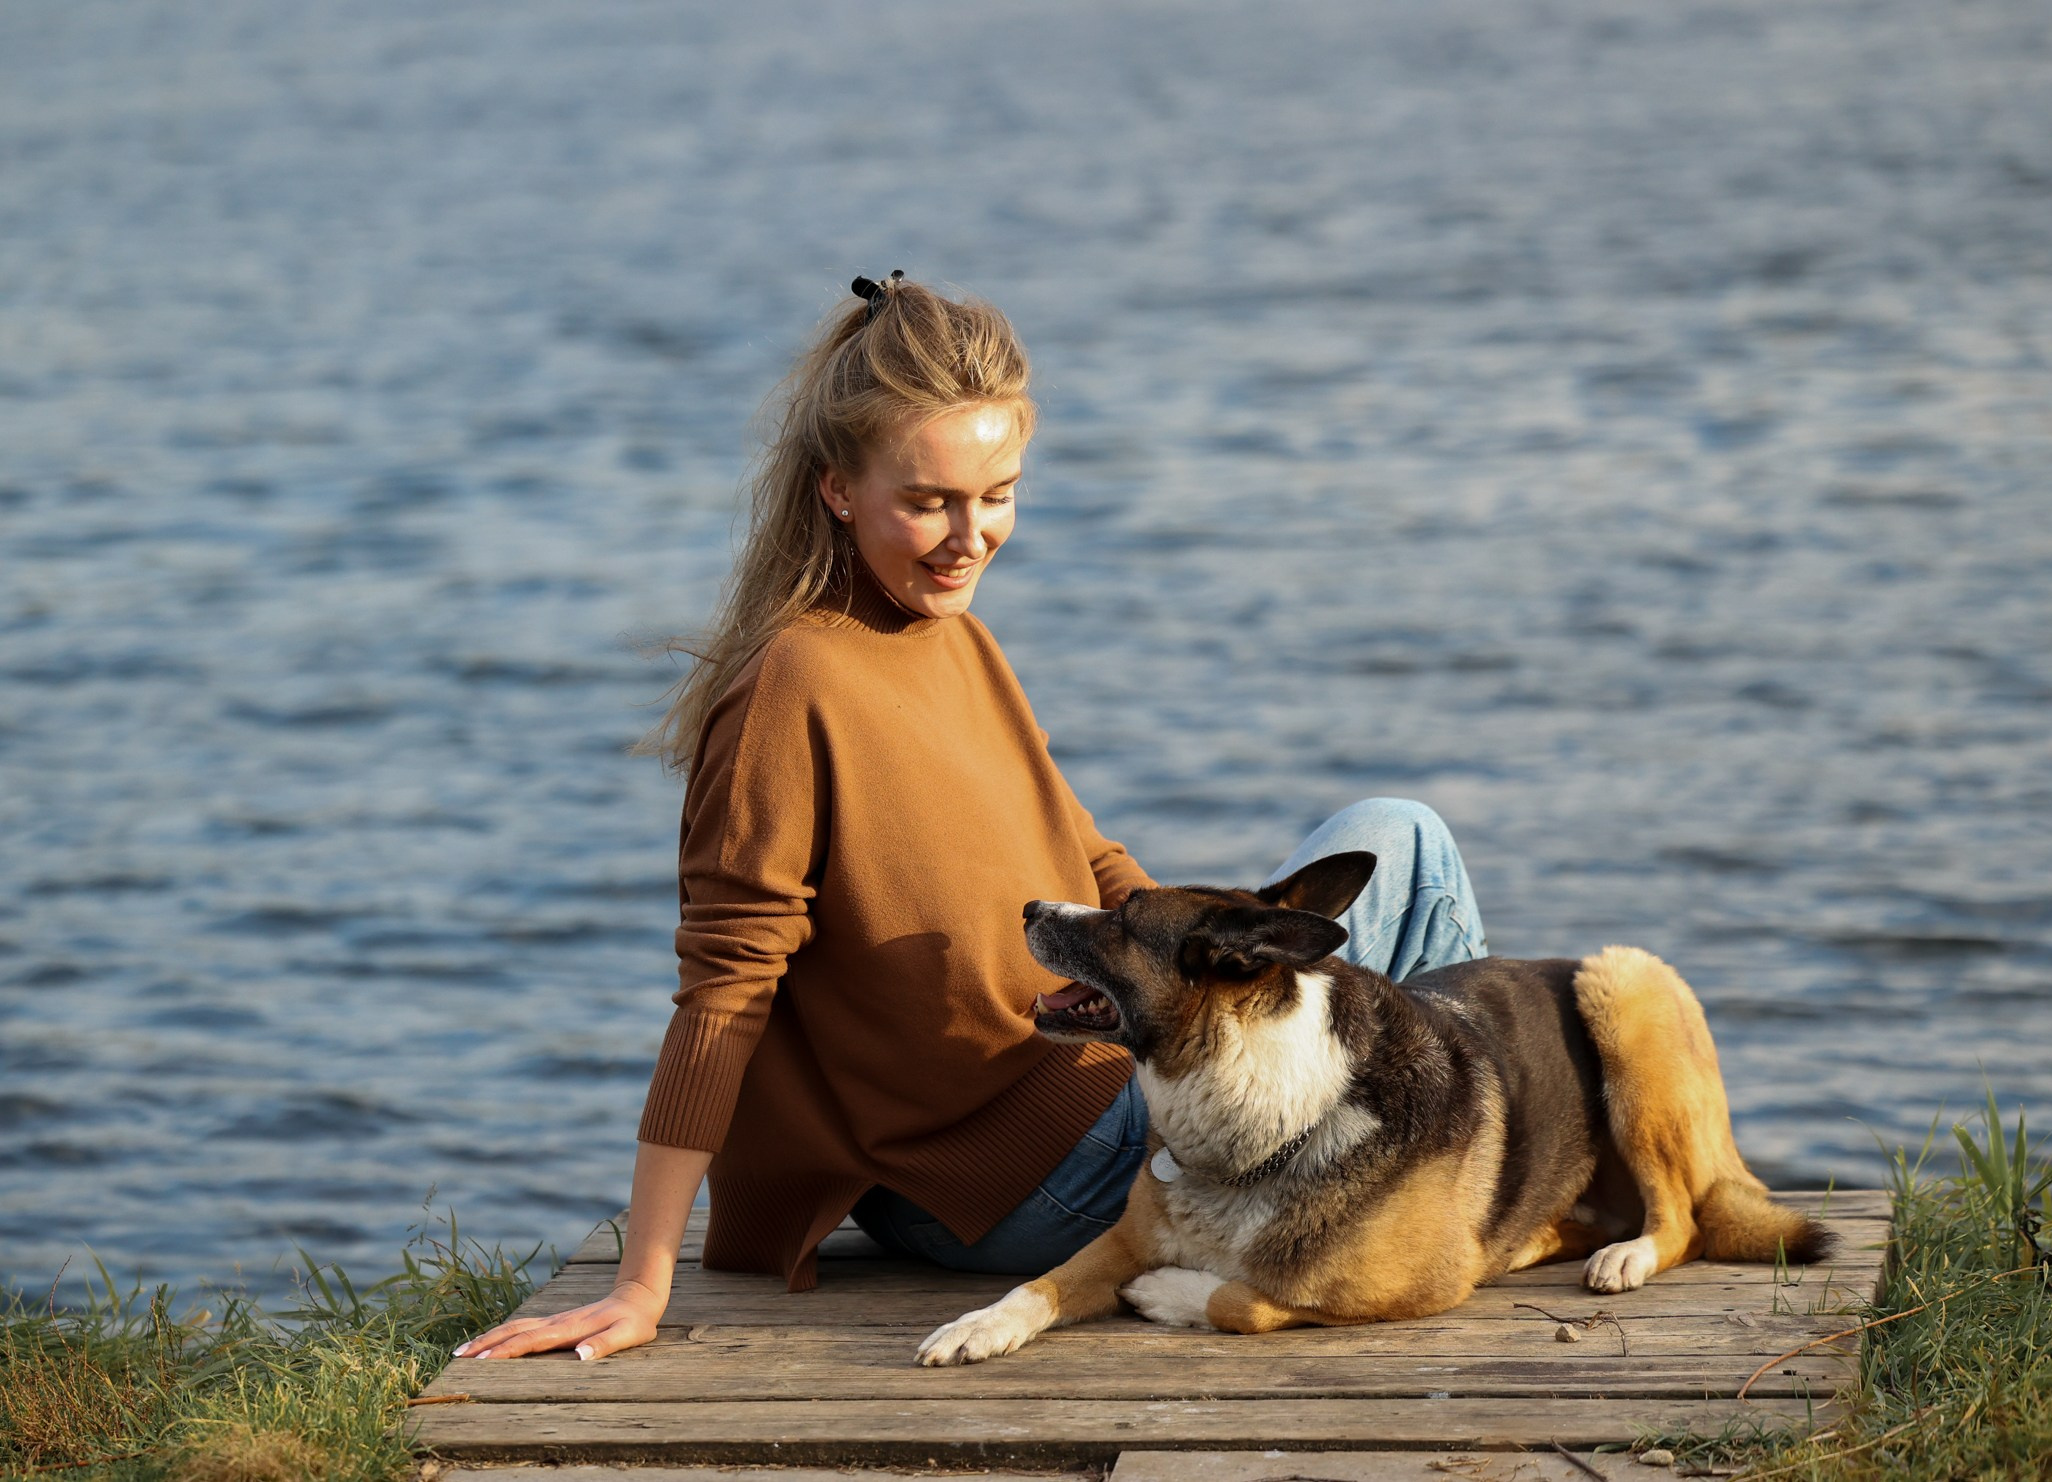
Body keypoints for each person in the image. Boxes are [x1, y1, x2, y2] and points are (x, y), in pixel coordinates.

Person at [454, 274, 1487, 1364]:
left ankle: (1447, 1185)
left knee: (1398, 836)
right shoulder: (791, 685)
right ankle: (1452, 1193)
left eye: (997, 493)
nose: (969, 536)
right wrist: (641, 1279)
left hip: (1098, 1074)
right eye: (929, 501)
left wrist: (1207, 958)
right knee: (1376, 1008)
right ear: (838, 492)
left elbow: (1093, 859)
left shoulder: (954, 634)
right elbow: (725, 990)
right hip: (996, 1174)